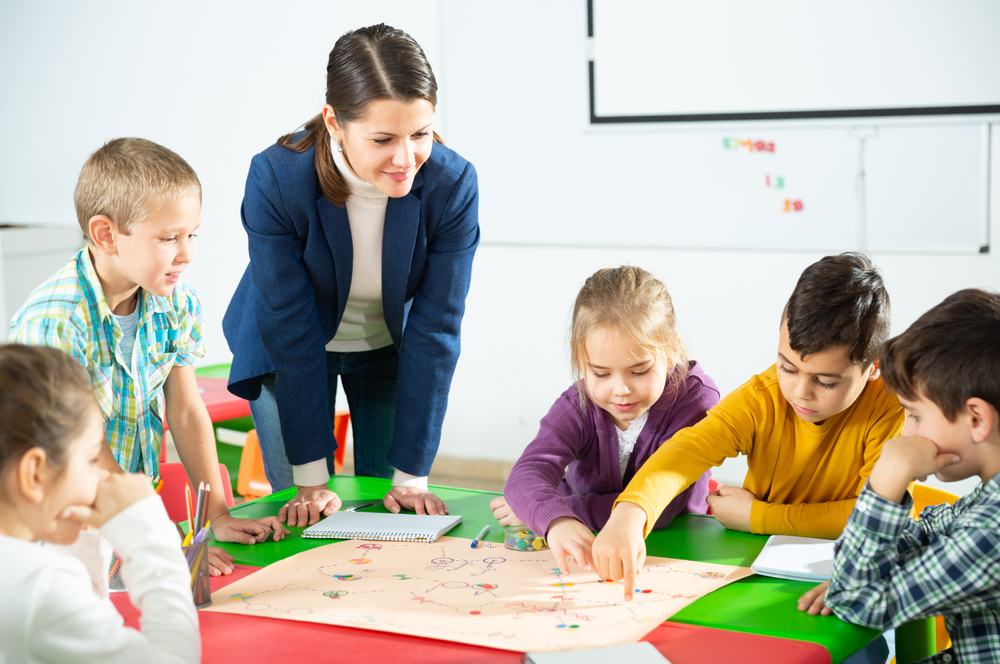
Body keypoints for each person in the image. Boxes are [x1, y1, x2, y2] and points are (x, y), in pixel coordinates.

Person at [223, 23, 479, 527]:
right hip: (289, 347)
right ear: (334, 122)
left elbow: (438, 327)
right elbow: (289, 327)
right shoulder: (276, 178)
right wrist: (312, 479)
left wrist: (412, 478)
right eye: (383, 139)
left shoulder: (453, 184)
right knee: (303, 510)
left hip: (389, 345)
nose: (407, 159)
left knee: (390, 507)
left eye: (421, 134)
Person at [10, 138, 287, 576]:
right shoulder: (56, 321)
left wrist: (217, 514)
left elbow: (187, 411)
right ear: (106, 235)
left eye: (191, 235)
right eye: (168, 238)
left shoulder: (175, 302)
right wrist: (154, 540)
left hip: (125, 524)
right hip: (57, 535)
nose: (187, 253)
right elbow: (83, 447)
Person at [592, 252, 905, 600]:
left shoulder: (892, 408)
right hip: (759, 568)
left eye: (827, 382)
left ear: (873, 367)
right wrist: (631, 512)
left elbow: (869, 516)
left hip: (850, 579)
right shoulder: (763, 398)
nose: (800, 393)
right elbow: (689, 450)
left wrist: (757, 516)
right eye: (787, 367)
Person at [798, 289, 1000, 664]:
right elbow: (926, 531)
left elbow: (855, 602)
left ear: (976, 419)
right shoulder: (989, 502)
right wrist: (864, 574)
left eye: (915, 414)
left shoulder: (992, 531)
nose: (907, 434)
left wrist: (886, 480)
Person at [491, 266, 718, 573]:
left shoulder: (695, 400)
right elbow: (526, 474)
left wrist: (562, 508)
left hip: (676, 546)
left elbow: (661, 510)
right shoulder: (579, 402)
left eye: (639, 371)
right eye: (600, 373)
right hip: (589, 538)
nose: (621, 390)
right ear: (580, 357)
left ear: (672, 351)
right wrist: (556, 521)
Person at [0, 344, 199, 662]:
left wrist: (82, 544)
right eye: (92, 459)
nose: (100, 477)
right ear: (34, 473)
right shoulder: (42, 586)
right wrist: (151, 538)